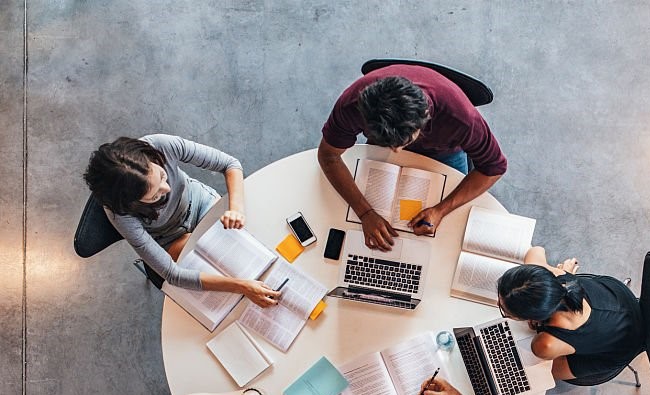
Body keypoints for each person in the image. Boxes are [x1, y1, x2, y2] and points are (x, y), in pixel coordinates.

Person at [317, 64, 507, 251]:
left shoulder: (461, 119)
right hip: (381, 147)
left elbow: (494, 168)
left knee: (448, 233)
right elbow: (328, 156)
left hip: (445, 152)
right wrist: (365, 212)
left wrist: (441, 210)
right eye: (390, 144)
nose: (396, 152)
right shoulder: (352, 104)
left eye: (403, 142)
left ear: (425, 117)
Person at [83, 134, 280, 307]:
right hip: (168, 238)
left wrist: (236, 209)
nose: (167, 189)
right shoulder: (120, 214)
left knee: (251, 242)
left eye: (162, 176)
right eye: (154, 196)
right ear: (132, 203)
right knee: (222, 273)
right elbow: (173, 274)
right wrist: (241, 287)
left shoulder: (160, 145)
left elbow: (230, 164)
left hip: (200, 203)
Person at [496, 247, 645, 381]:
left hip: (621, 348)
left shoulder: (544, 344)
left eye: (504, 311)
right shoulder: (557, 275)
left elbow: (544, 351)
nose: (497, 304)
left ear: (532, 317)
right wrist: (558, 272)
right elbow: (536, 250)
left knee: (541, 373)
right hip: (620, 299)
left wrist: (541, 328)